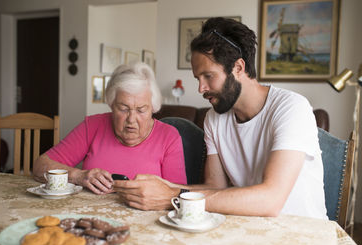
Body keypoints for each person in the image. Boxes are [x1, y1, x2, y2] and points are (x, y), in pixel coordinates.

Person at [114, 17, 328, 219]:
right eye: (198, 78)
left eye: (208, 76)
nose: (201, 88)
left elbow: (270, 200)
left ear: (238, 67)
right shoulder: (214, 119)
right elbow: (215, 188)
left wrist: (172, 196)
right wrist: (165, 187)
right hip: (250, 231)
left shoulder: (291, 108)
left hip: (301, 235)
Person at [33, 62, 187, 194]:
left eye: (141, 110)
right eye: (123, 109)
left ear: (153, 107)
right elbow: (41, 166)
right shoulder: (92, 126)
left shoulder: (169, 137)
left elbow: (179, 192)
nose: (131, 119)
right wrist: (78, 176)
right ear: (111, 104)